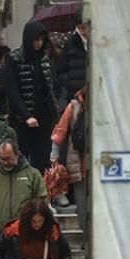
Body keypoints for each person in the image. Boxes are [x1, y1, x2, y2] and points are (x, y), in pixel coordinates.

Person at [0, 21, 57, 172]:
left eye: (41, 40)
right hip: (22, 119)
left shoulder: (44, 59)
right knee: (21, 159)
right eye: (36, 40)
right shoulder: (14, 58)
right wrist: (26, 115)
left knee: (43, 160)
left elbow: (50, 87)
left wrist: (53, 111)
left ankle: (42, 193)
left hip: (43, 116)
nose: (38, 44)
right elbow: (12, 91)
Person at [0, 141, 47, 259]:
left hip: (25, 236)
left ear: (17, 154)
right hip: (0, 235)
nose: (5, 162)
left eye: (8, 158)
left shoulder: (33, 175)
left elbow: (42, 203)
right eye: (1, 158)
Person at [0, 198, 72, 259]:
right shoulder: (13, 229)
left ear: (45, 219)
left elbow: (66, 253)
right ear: (28, 219)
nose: (37, 224)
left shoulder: (53, 231)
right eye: (33, 221)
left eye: (40, 221)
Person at [50, 86, 87, 219]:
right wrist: (54, 156)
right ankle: (85, 237)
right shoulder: (74, 106)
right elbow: (60, 132)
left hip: (95, 167)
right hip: (79, 166)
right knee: (82, 206)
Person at [53, 19, 87, 103]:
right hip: (75, 96)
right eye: (80, 28)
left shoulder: (98, 43)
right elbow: (61, 71)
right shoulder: (70, 43)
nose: (84, 32)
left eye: (85, 27)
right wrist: (71, 85)